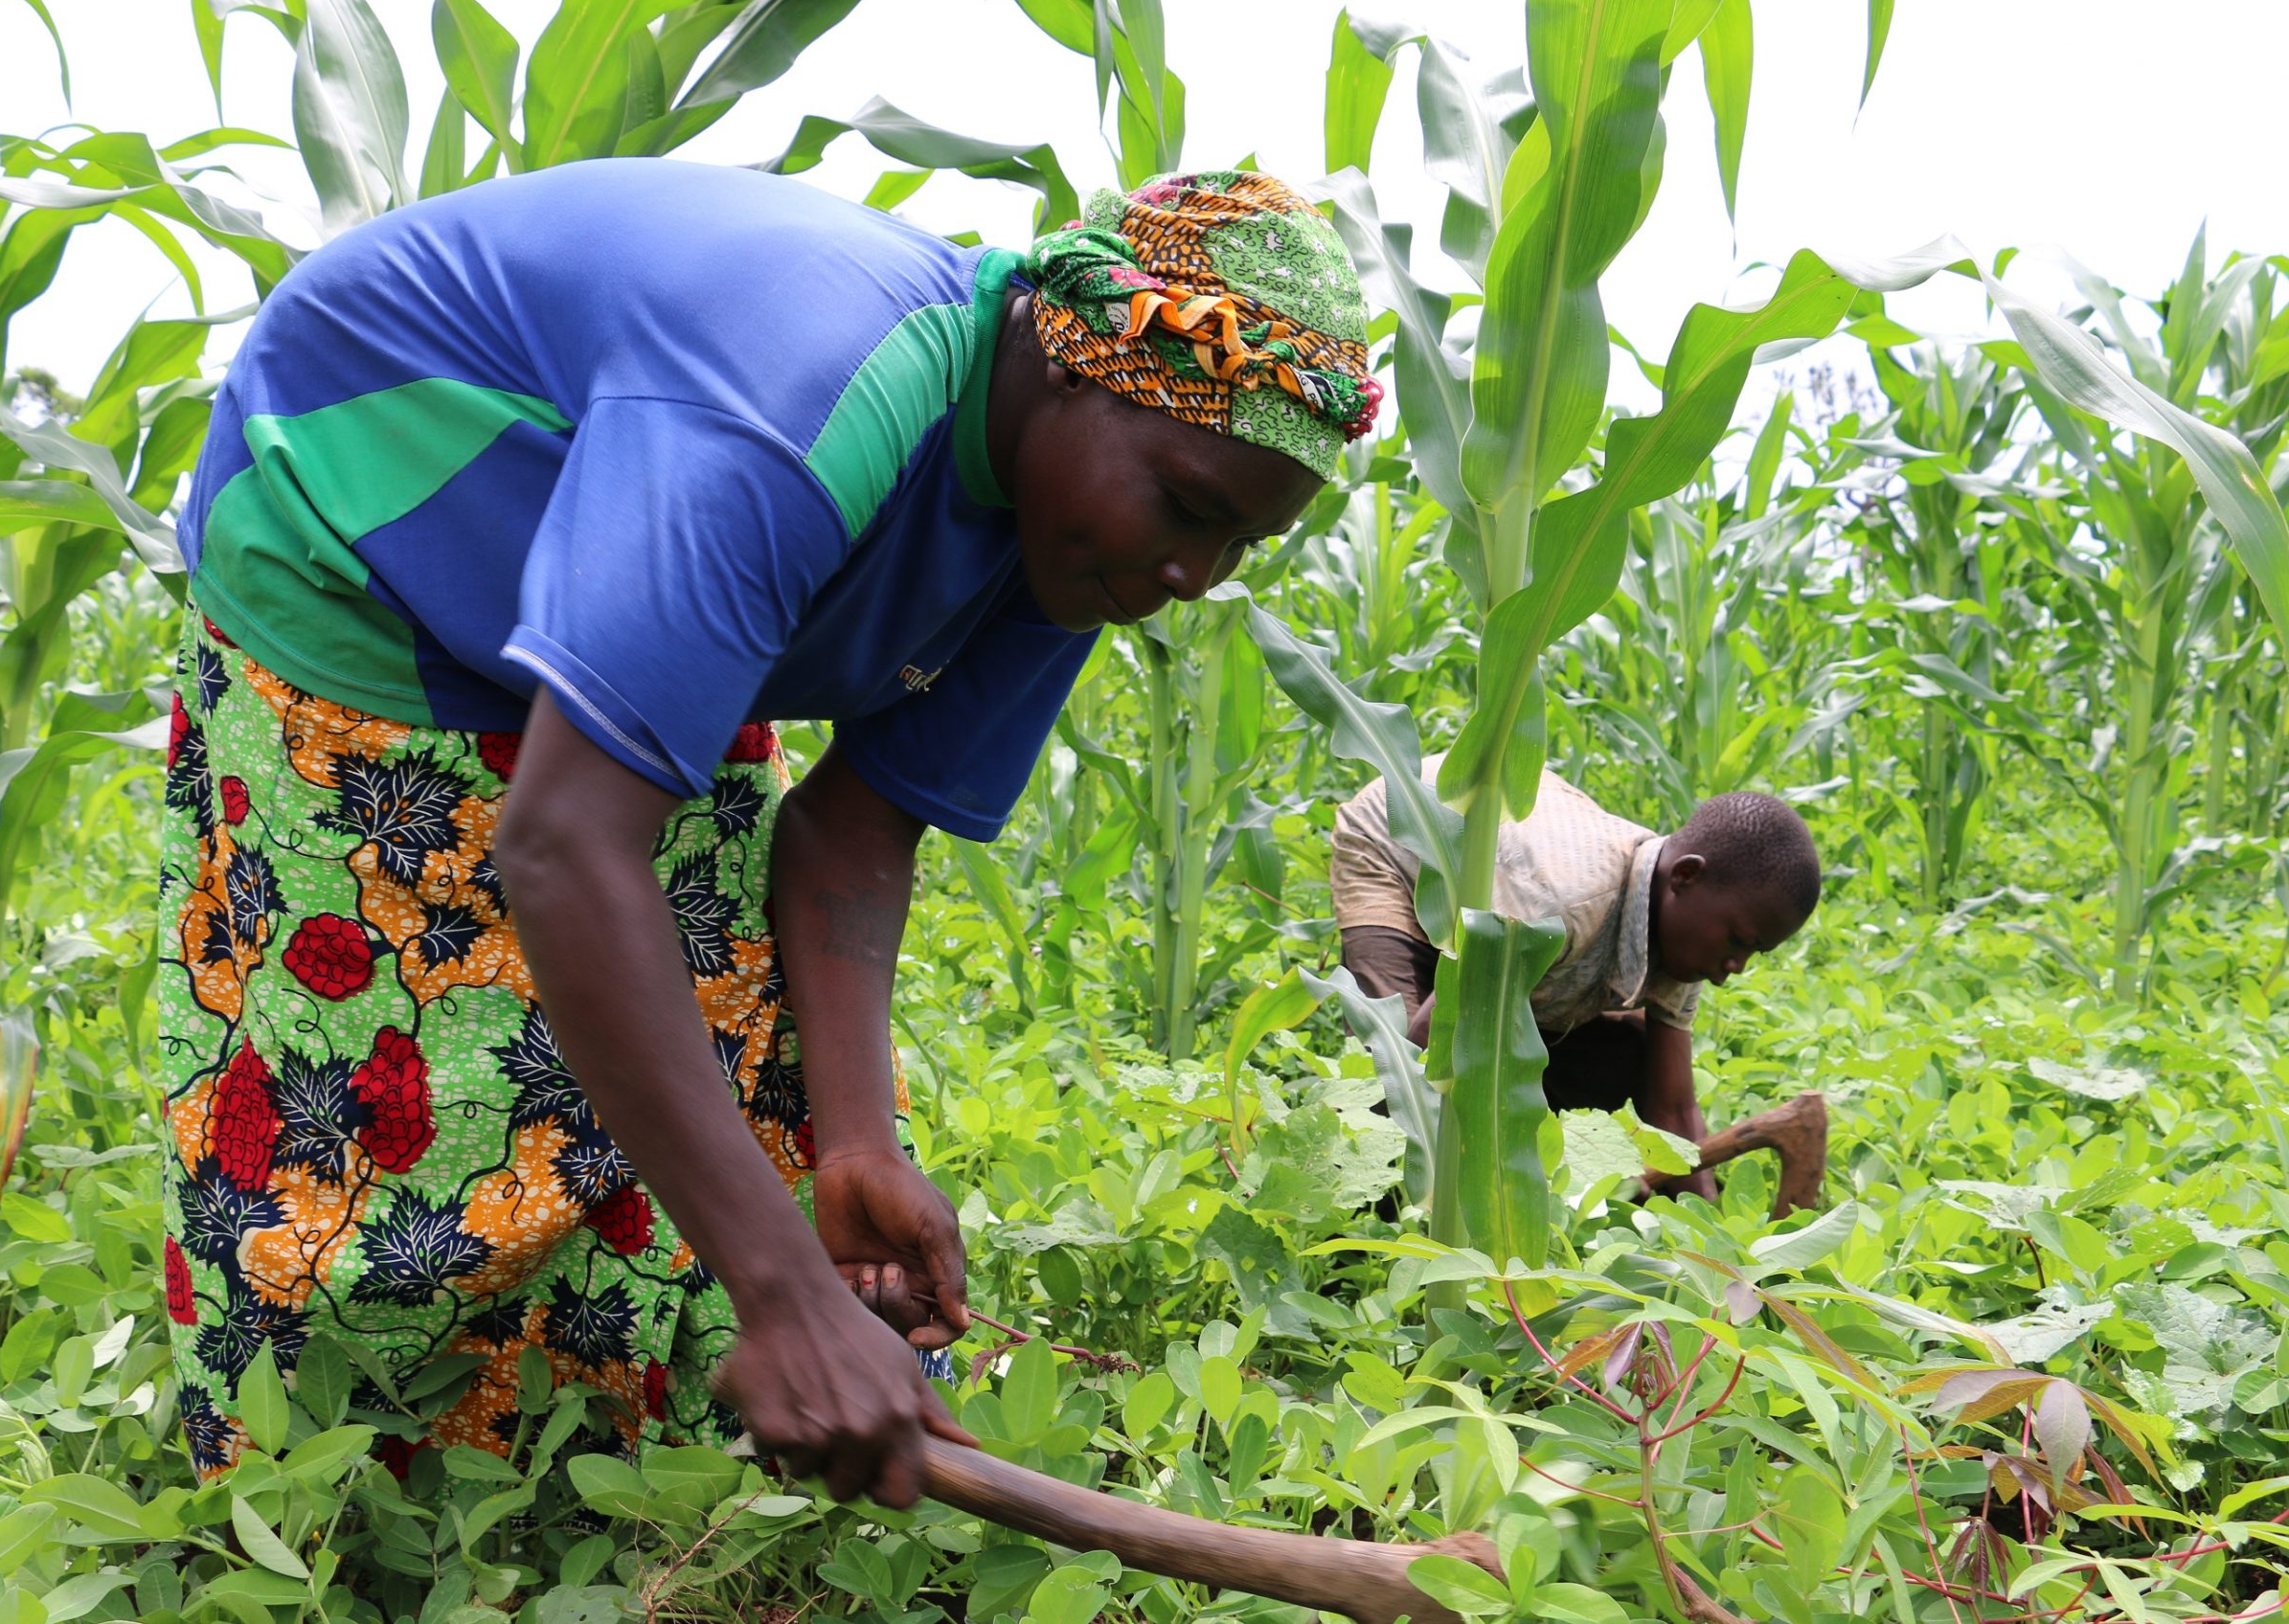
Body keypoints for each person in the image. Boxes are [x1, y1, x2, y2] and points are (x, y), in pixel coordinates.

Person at [157, 162, 1374, 1507]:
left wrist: (858, 1143)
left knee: (718, 1027)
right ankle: (330, 1501)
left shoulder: (1072, 535)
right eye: (1191, 507)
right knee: (425, 1093)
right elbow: (564, 844)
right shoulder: (803, 400)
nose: (1192, 575)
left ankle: (608, 1471)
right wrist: (785, 1292)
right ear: (1073, 368)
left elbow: (858, 829)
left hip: (624, 573)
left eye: (1242, 544)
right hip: (369, 531)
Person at [1330, 766, 1820, 1197]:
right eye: (1737, 941)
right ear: (1685, 877)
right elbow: (1432, 1041)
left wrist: (1710, 1242)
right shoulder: (1562, 907)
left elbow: (1673, 1110)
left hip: (1507, 887)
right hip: (1398, 842)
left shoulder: (1687, 935)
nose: (1736, 966)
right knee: (1390, 1065)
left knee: (1631, 1055)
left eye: (1754, 952)